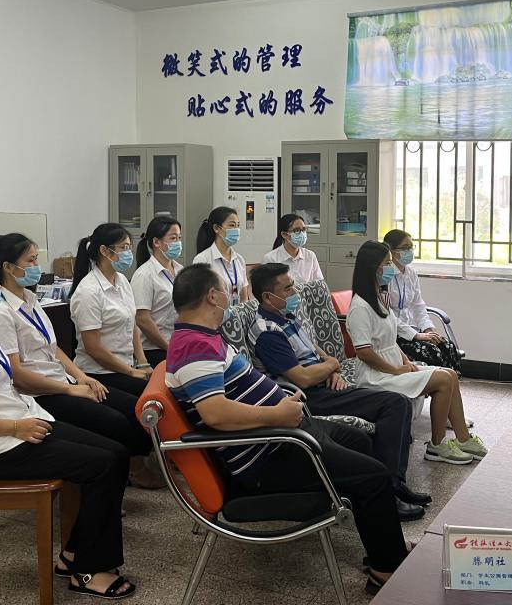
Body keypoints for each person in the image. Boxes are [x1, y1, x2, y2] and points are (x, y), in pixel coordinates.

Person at [166, 264, 412, 596]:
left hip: (283, 433)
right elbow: (215, 413)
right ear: (212, 296)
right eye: (226, 291)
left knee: (358, 440)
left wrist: (280, 408)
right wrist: (277, 414)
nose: (231, 298)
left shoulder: (202, 338)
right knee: (375, 476)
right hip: (270, 452)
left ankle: (382, 542)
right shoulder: (194, 345)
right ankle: (384, 568)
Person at [0, 252, 133, 599]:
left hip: (21, 424)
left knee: (117, 453)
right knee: (103, 465)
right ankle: (88, 571)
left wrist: (25, 420)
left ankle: (74, 554)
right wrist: (15, 427)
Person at [248, 262, 430, 522]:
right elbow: (302, 378)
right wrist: (332, 364)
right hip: (307, 399)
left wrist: (331, 369)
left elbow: (315, 352)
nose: (294, 292)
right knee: (394, 404)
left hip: (324, 385)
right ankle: (388, 490)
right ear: (268, 297)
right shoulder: (267, 332)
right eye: (288, 289)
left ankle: (393, 485)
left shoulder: (286, 317)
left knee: (395, 404)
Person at [0, 233, 159, 489]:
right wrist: (70, 389)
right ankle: (121, 472)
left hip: (62, 381)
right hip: (39, 394)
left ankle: (124, 470)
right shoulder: (1, 312)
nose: (37, 267)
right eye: (30, 261)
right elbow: (17, 375)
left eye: (36, 260)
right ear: (8, 268)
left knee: (130, 408)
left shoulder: (30, 299)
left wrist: (81, 377)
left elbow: (53, 349)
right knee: (114, 420)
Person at [346, 241, 488, 465]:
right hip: (375, 376)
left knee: (450, 374)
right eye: (387, 263)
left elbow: (390, 340)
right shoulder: (360, 307)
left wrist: (406, 362)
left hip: (392, 367)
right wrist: (395, 370)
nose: (391, 268)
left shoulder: (379, 298)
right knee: (443, 380)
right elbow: (364, 353)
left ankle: (463, 438)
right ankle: (437, 445)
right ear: (373, 267)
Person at [69, 222, 151, 398]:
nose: (128, 253)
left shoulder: (122, 280)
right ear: (104, 251)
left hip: (125, 366)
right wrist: (131, 372)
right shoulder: (88, 291)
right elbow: (94, 348)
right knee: (145, 402)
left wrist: (143, 362)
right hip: (99, 372)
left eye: (129, 247)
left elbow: (131, 323)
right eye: (123, 248)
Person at [383, 229, 463, 370]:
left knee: (447, 345)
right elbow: (387, 315)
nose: (409, 251)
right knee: (432, 351)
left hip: (412, 329)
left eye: (411, 247)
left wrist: (427, 329)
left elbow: (418, 305)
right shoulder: (385, 276)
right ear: (392, 251)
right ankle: (439, 381)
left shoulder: (411, 273)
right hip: (394, 335)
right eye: (405, 247)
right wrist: (416, 335)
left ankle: (452, 381)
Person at [131, 216, 183, 368]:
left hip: (178, 343)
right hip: (155, 349)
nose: (178, 242)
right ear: (156, 242)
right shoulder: (144, 275)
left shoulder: (181, 270)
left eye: (179, 238)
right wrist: (169, 347)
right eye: (173, 238)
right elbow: (142, 319)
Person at [193, 206, 251, 305]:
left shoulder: (239, 259)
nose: (236, 230)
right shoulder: (202, 259)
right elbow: (200, 298)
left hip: (238, 313)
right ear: (216, 228)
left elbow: (244, 296)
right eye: (232, 225)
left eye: (238, 225)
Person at [261, 213, 324, 284]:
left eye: (303, 229)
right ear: (284, 234)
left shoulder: (310, 255)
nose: (302, 234)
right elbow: (266, 287)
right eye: (296, 230)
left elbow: (319, 284)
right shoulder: (271, 259)